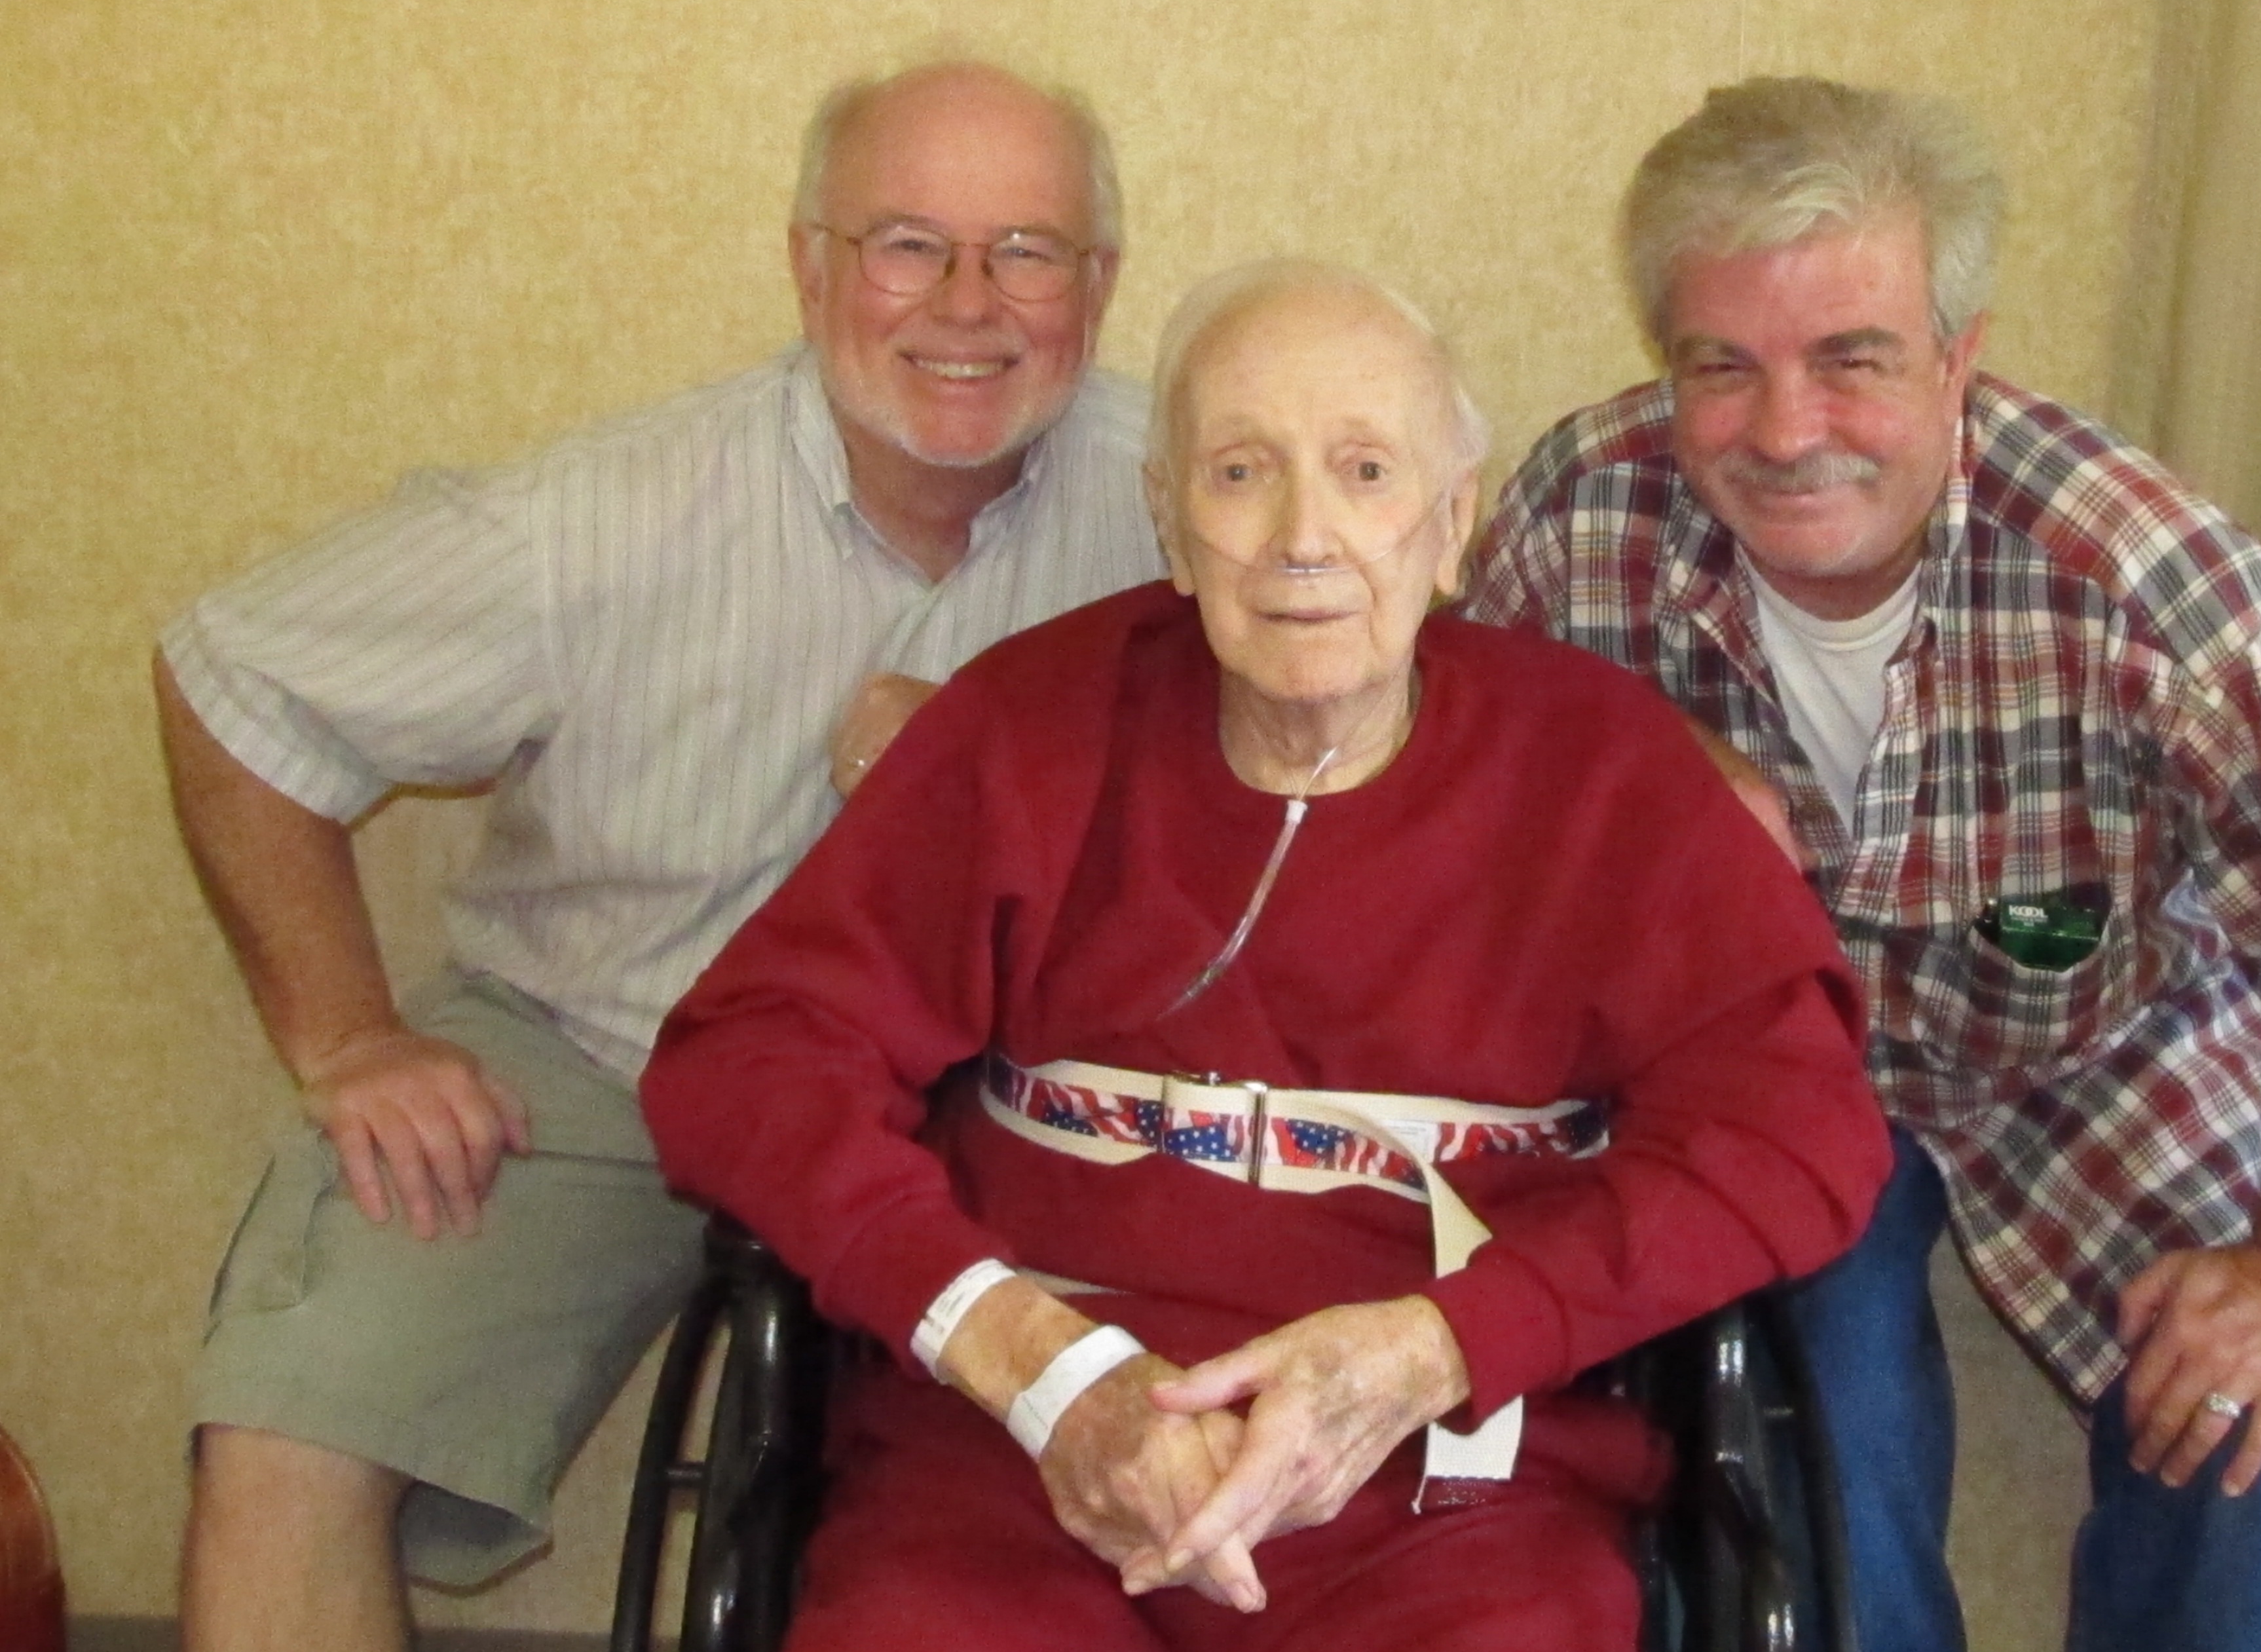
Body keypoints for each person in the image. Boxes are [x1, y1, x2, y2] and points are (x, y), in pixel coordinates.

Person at [641, 259, 1892, 1650]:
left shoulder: (1603, 775)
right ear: (1171, 530)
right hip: (1013, 1472)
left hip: (1445, 1501)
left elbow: (1798, 1134)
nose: (1303, 536)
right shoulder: (1024, 731)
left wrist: (1436, 1347)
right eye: (1239, 475)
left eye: (1364, 472)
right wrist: (1028, 1361)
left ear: (1450, 526)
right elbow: (747, 1060)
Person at [1464, 77, 2261, 1652]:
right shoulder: (1578, 515)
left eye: (1851, 362)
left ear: (1959, 357)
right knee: (1810, 1432)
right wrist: (1636, 773)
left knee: (2241, 1452)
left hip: (2101, 1047)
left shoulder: (2140, 583)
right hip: (1758, 1060)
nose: (1783, 433)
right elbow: (1447, 798)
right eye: (1722, 369)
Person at [159, 60, 1167, 1652]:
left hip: (1020, 1104)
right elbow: (235, 673)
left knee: (1093, 1505)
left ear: (1099, 287)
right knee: (289, 1438)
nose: (968, 304)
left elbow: (1356, 783)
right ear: (807, 262)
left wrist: (998, 774)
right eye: (907, 243)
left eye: (1028, 251)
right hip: (605, 1056)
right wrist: (346, 1034)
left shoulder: (1199, 497)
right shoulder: (597, 519)